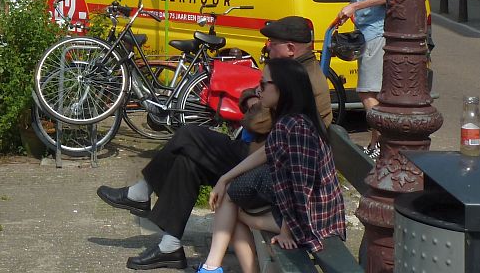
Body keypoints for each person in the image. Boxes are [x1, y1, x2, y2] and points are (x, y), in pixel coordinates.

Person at [98, 16, 332, 271]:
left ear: (290, 48)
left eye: (272, 43)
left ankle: (142, 193)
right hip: (259, 155)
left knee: (189, 135)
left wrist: (253, 104)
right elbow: (247, 96)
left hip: (263, 162)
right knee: (187, 161)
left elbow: (257, 124)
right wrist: (253, 101)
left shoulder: (299, 78)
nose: (267, 47)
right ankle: (170, 245)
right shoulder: (287, 72)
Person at [196, 59, 345, 273]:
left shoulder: (296, 127)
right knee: (230, 200)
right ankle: (216, 267)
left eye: (264, 84)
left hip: (313, 220)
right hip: (304, 211)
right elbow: (269, 151)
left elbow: (301, 186)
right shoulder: (289, 120)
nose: (258, 89)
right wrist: (225, 177)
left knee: (231, 206)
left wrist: (287, 231)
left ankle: (214, 268)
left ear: (283, 87)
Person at [327, 0, 387, 157]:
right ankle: (376, 145)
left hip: (375, 33)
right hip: (369, 31)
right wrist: (352, 10)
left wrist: (356, 6)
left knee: (366, 92)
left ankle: (381, 145)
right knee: (372, 92)